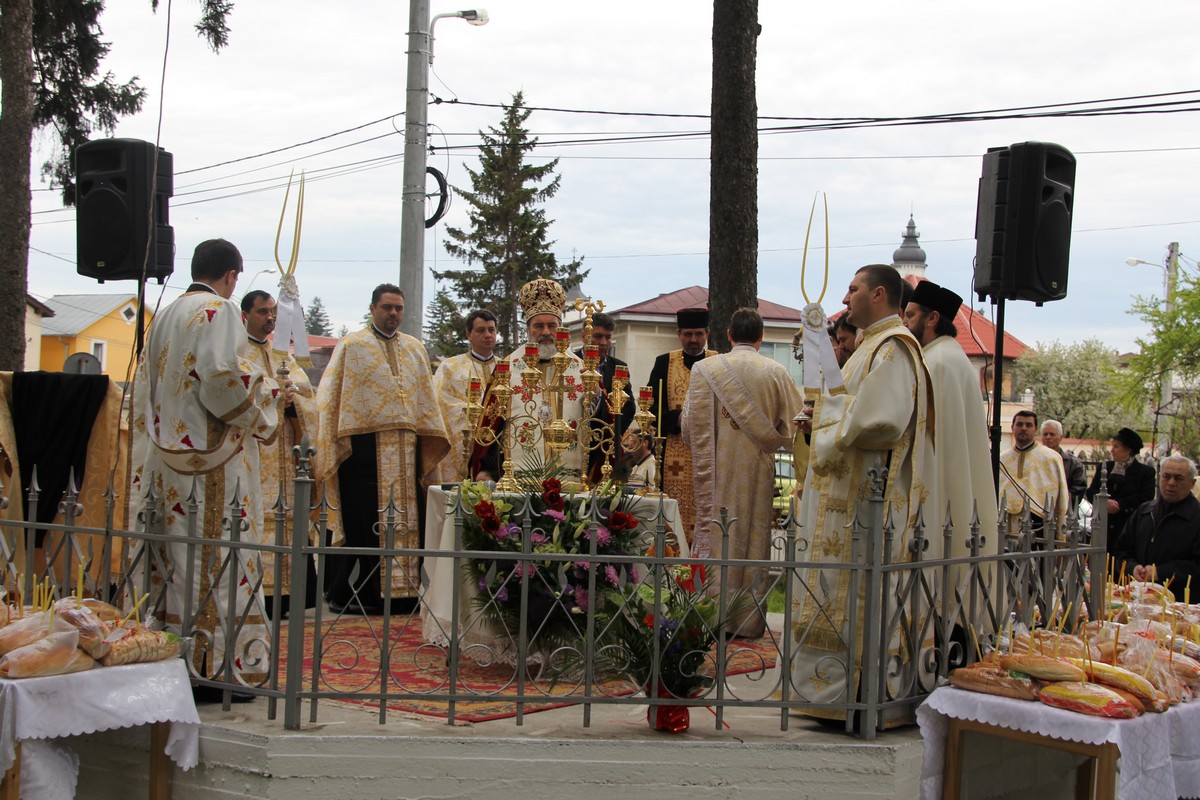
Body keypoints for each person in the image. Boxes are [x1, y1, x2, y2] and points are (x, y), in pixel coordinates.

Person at [791, 264, 936, 726]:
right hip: (844, 497)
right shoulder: (869, 346)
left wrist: (828, 417)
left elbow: (883, 419)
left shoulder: (893, 346)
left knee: (855, 597)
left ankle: (856, 696)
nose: (846, 296)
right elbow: (847, 402)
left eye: (853, 288)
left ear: (878, 293)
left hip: (864, 501)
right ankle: (829, 695)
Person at [131, 239, 278, 692]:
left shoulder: (167, 314)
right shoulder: (219, 311)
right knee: (216, 559)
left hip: (167, 456)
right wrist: (264, 404)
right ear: (233, 276)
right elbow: (219, 379)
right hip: (213, 463)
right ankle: (214, 668)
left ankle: (172, 656)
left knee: (181, 557)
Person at [316, 284, 450, 615]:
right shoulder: (352, 345)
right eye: (387, 307)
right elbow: (331, 400)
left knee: (408, 523)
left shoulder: (415, 349)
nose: (393, 314)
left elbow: (426, 403)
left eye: (398, 308)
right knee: (363, 524)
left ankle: (405, 595)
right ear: (373, 308)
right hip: (362, 454)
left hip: (407, 451)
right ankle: (356, 594)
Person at [683, 308, 801, 638]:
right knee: (752, 540)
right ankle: (746, 623)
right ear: (761, 338)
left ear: (729, 336)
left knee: (719, 536)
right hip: (756, 475)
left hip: (716, 473)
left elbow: (689, 429)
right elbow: (795, 431)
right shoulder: (776, 372)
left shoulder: (704, 370)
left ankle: (710, 616)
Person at [902, 280, 997, 630]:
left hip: (938, 486)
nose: (905, 322)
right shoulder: (951, 356)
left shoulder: (937, 362)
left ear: (932, 318)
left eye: (910, 315)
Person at [241, 289, 319, 618]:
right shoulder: (236, 351)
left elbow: (307, 394)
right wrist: (272, 397)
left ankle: (290, 597)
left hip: (285, 451)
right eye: (262, 311)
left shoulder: (281, 355)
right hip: (255, 451)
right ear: (246, 315)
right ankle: (260, 594)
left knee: (289, 519)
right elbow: (235, 394)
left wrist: (292, 401)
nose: (270, 317)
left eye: (272, 311)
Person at [502, 278, 587, 482]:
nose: (546, 332)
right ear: (528, 329)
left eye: (552, 325)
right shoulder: (507, 367)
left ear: (561, 328)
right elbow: (491, 423)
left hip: (570, 483)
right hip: (519, 481)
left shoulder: (582, 369)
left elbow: (600, 419)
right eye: (538, 326)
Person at [647, 308, 716, 545]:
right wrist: (675, 419)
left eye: (699, 333)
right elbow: (650, 409)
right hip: (671, 455)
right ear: (679, 334)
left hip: (708, 454)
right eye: (688, 334)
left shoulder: (718, 362)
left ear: (707, 333)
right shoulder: (663, 362)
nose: (694, 340)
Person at [430, 309, 501, 483]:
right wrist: (478, 416)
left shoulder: (507, 367)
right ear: (469, 334)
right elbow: (441, 406)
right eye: (481, 330)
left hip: (497, 448)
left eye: (491, 330)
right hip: (463, 445)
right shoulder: (450, 367)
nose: (487, 335)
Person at [1112, 456, 1200, 590]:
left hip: (1180, 602)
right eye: (1166, 476)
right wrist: (1132, 567)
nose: (1171, 483)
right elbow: (1121, 551)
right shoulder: (1144, 511)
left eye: (1178, 478)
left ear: (1192, 483)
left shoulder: (1196, 517)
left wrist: (1160, 572)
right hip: (1139, 595)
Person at [576, 312, 635, 485]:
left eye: (608, 337)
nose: (603, 343)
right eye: (598, 336)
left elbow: (629, 407)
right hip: (576, 443)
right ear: (584, 337)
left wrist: (611, 432)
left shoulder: (619, 367)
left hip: (607, 446)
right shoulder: (571, 362)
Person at [999, 410, 1069, 536]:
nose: (1023, 428)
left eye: (1028, 425)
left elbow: (1062, 495)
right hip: (1006, 519)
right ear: (1012, 428)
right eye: (1019, 424)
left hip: (1039, 521)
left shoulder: (1051, 458)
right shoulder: (1002, 459)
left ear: (1035, 429)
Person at [1086, 427, 1157, 554]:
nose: (1112, 450)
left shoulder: (1145, 472)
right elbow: (1091, 491)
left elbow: (1146, 497)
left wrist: (1120, 505)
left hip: (1128, 527)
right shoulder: (1105, 467)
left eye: (1116, 446)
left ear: (1129, 450)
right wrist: (1104, 503)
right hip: (1103, 527)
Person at [1040, 419, 1086, 506]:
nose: (1048, 437)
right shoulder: (1033, 461)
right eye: (1045, 434)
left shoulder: (1074, 464)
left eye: (1052, 434)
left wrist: (1059, 501)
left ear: (1061, 437)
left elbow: (1079, 490)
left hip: (1065, 513)